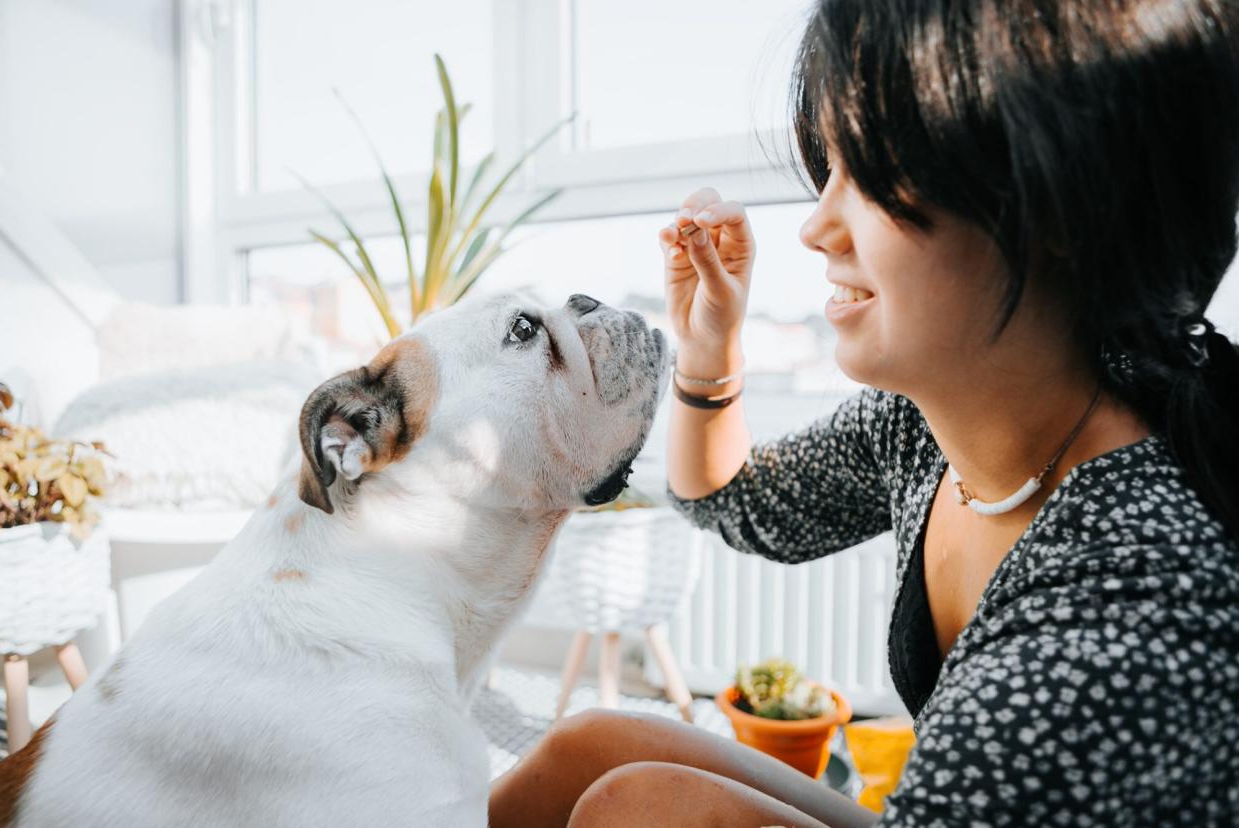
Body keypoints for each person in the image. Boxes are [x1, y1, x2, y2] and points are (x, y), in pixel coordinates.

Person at [489, 0, 1239, 824]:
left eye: (876, 174)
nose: (815, 227)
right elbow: (729, 498)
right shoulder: (924, 430)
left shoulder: (1120, 625)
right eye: (827, 173)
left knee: (640, 807)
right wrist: (711, 343)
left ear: (1058, 206)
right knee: (592, 747)